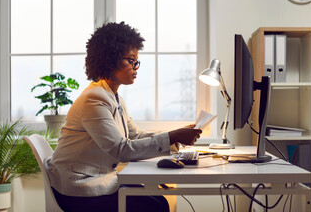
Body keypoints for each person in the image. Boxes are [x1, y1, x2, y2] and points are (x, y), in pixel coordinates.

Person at [45, 22, 202, 212]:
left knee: (158, 201)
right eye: (130, 60)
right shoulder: (94, 99)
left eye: (137, 61)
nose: (136, 67)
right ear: (109, 60)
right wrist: (173, 137)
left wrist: (175, 135)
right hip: (79, 190)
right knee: (155, 207)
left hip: (97, 181)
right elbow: (121, 150)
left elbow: (134, 136)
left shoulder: (112, 95)